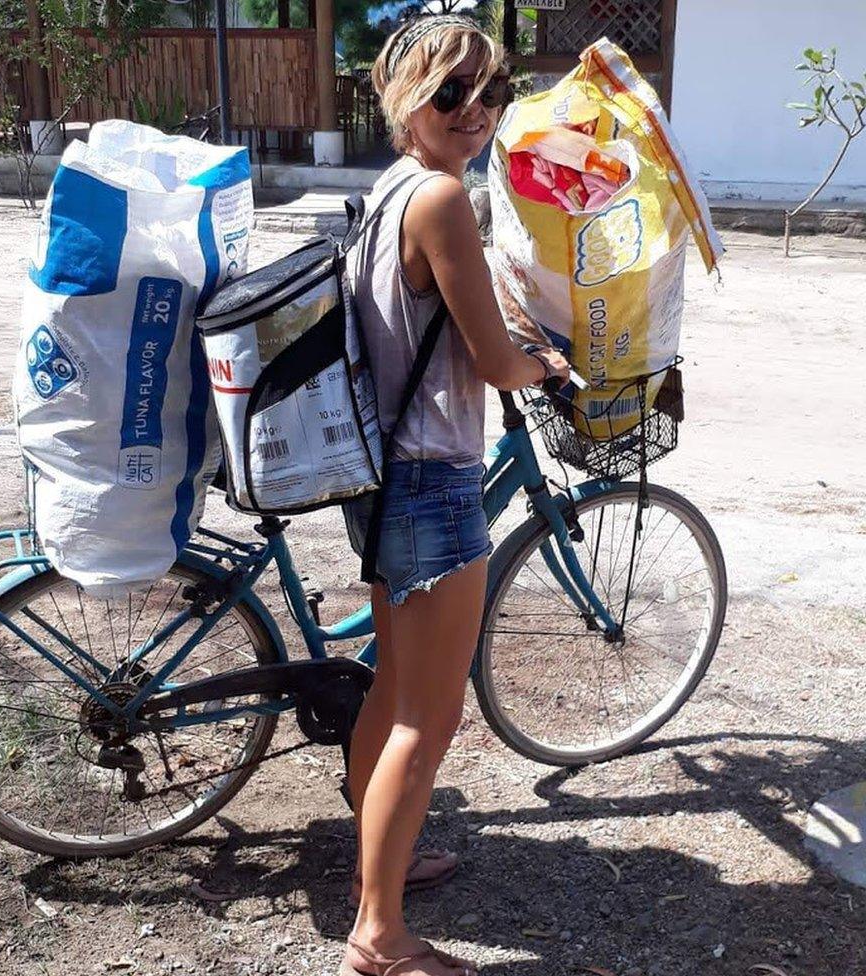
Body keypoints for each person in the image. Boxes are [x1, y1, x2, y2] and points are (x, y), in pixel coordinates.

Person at [341, 15, 570, 976]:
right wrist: (546, 363)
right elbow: (493, 359)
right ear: (406, 102)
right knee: (424, 721)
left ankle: (372, 877)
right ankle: (379, 938)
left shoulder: (390, 190)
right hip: (434, 482)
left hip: (384, 474)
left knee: (392, 689)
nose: (475, 110)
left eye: (493, 92)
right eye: (450, 93)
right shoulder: (439, 199)